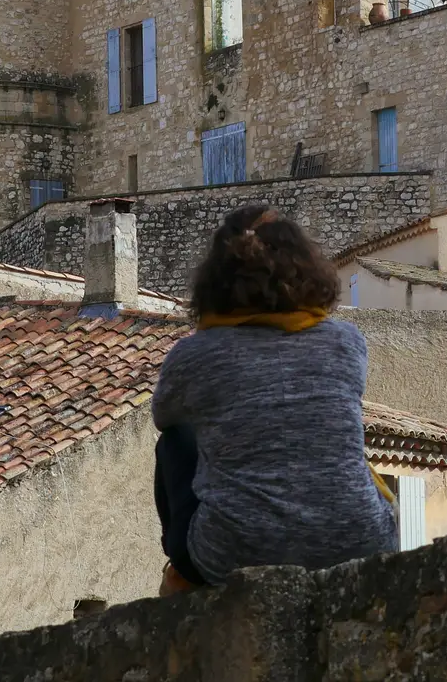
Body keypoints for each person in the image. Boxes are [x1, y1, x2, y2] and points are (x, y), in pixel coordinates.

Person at [151, 204, 397, 593]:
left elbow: (165, 416)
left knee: (176, 440)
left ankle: (181, 571)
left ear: (215, 280)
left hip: (231, 554)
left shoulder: (194, 355)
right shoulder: (346, 342)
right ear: (307, 269)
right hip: (359, 541)